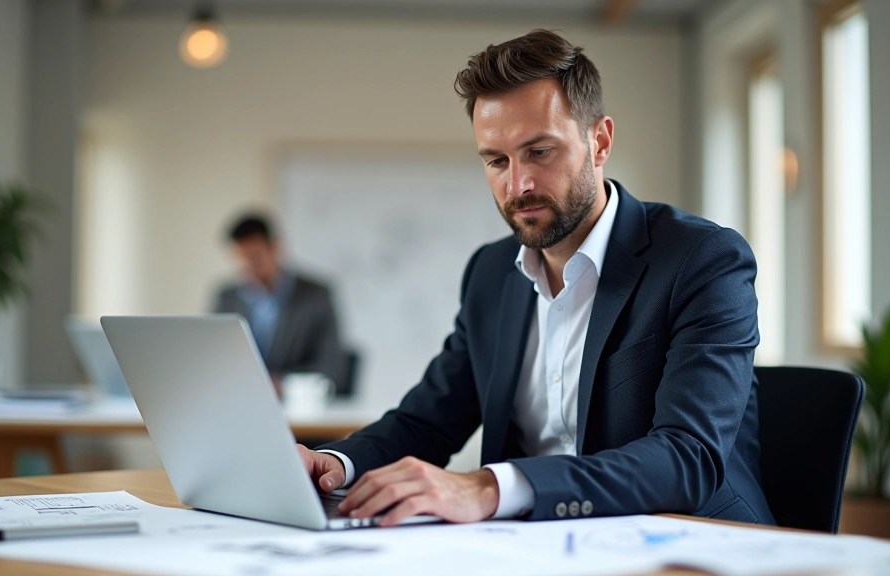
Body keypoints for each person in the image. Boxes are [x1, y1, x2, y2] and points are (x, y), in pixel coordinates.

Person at [297, 29, 776, 527]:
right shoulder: (490, 273)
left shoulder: (703, 260)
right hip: (538, 545)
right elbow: (427, 421)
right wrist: (332, 464)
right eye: (496, 161)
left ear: (600, 141)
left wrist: (490, 488)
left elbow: (687, 458)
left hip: (694, 539)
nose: (517, 184)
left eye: (540, 152)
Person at [214, 215, 348, 394]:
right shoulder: (227, 298)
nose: (249, 267)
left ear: (275, 247)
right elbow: (214, 357)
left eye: (255, 257)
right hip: (240, 396)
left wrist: (284, 384)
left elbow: (332, 365)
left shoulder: (316, 296)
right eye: (242, 259)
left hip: (295, 402)